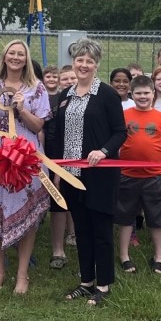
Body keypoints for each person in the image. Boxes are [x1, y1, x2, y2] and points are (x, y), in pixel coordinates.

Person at [43, 39, 127, 306]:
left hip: (99, 174)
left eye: (89, 61)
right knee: (81, 229)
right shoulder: (66, 94)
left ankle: (103, 285)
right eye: (80, 60)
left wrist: (103, 150)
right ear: (74, 62)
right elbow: (58, 133)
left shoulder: (107, 95)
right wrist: (55, 166)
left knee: (100, 229)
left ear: (97, 64)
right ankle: (86, 282)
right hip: (71, 174)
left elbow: (120, 132)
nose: (84, 64)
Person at [0, 40, 53, 294]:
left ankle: (22, 275)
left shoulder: (36, 88)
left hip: (26, 157)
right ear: (5, 57)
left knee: (27, 216)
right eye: (12, 53)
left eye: (21, 54)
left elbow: (38, 126)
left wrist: (20, 108)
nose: (16, 57)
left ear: (26, 58)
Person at [115, 76, 161, 275]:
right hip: (127, 175)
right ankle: (124, 255)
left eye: (146, 93)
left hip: (155, 176)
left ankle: (159, 257)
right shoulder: (123, 115)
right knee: (125, 218)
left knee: (157, 219)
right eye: (138, 93)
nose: (142, 97)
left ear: (153, 93)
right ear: (132, 94)